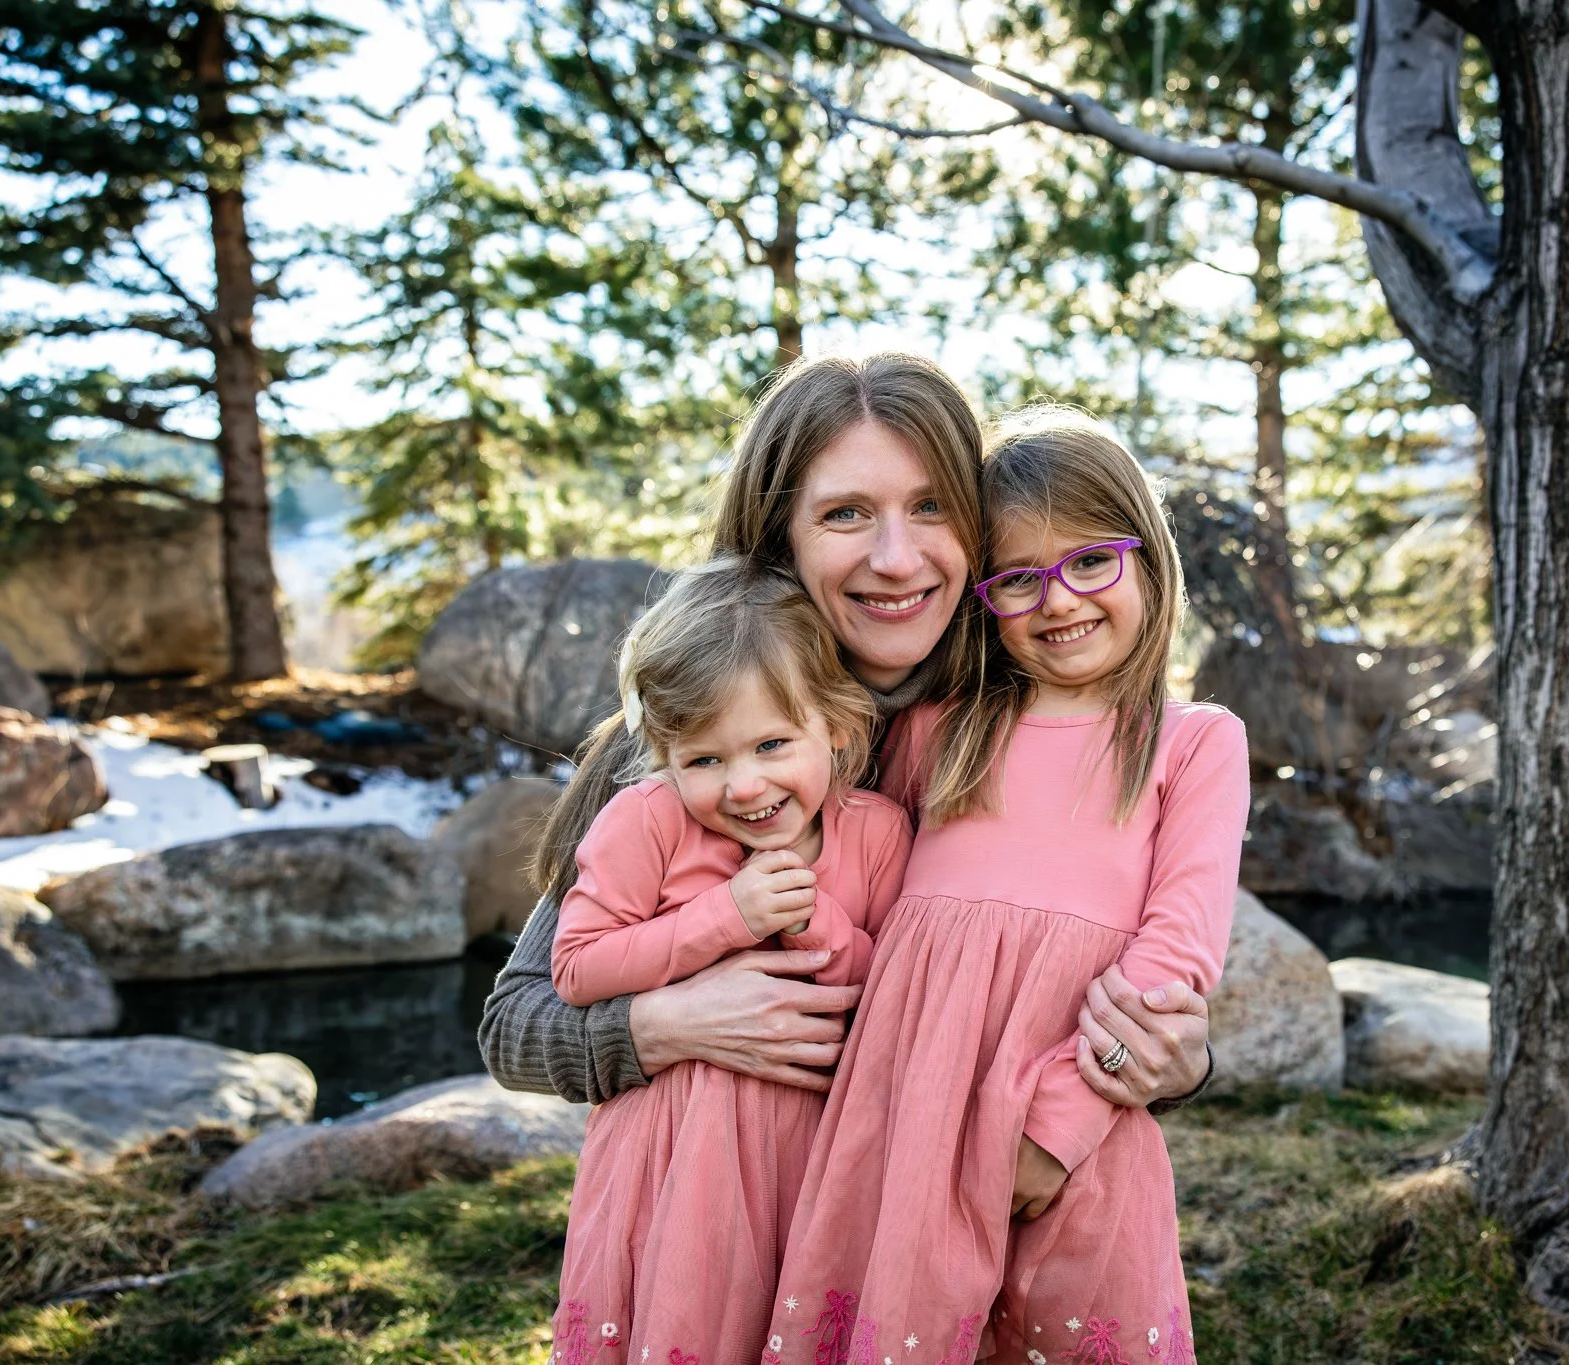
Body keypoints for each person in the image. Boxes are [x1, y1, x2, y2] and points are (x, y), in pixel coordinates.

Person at [478, 353, 1215, 1123]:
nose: (896, 560)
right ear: (780, 537)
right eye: (845, 514)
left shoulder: (1034, 731)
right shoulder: (694, 729)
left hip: (926, 1193)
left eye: (932, 507)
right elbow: (513, 1027)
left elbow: (1078, 984)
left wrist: (1172, 1059)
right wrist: (669, 1024)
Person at [768, 410, 1247, 1363]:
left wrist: (1057, 1128)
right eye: (1020, 577)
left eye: (1091, 560)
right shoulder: (942, 730)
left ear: (1148, 555)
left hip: (1069, 1124)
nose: (1057, 598)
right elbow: (851, 863)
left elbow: (1176, 953)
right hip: (905, 1118)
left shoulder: (1192, 743)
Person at [543, 561, 912, 1363]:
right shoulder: (645, 821)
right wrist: (722, 917)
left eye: (773, 744)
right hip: (676, 1154)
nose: (744, 785)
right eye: (703, 759)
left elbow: (889, 994)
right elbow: (575, 965)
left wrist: (819, 921)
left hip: (815, 1152)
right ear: (665, 753)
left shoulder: (878, 834)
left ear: (839, 726)